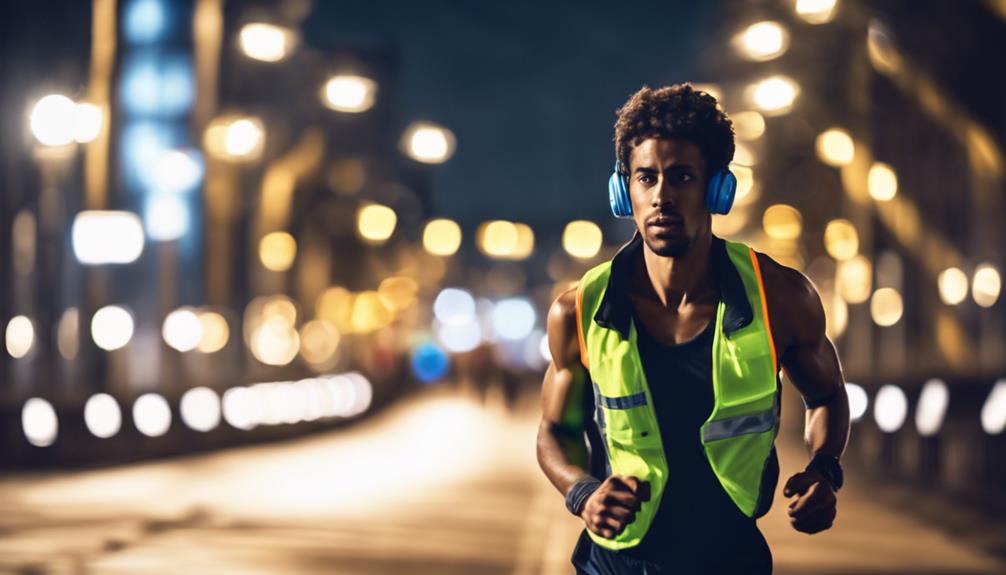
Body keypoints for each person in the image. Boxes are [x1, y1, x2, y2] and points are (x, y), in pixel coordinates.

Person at [536, 83, 851, 574]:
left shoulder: (781, 298)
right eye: (646, 178)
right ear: (624, 190)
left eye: (682, 176)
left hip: (730, 559)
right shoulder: (579, 310)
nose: (662, 195)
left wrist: (824, 471)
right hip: (614, 564)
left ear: (717, 188)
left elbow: (827, 395)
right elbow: (555, 430)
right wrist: (581, 492)